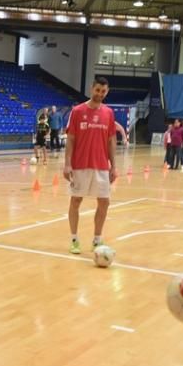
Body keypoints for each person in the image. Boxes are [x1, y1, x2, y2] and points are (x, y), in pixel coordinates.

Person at [64, 76, 117, 255]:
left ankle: (97, 240)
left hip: (101, 166)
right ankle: (74, 239)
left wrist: (114, 166)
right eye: (97, 90)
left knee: (104, 202)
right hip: (80, 165)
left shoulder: (109, 113)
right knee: (76, 200)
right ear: (91, 88)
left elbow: (111, 141)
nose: (100, 94)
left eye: (103, 91)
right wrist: (67, 164)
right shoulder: (77, 111)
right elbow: (70, 139)